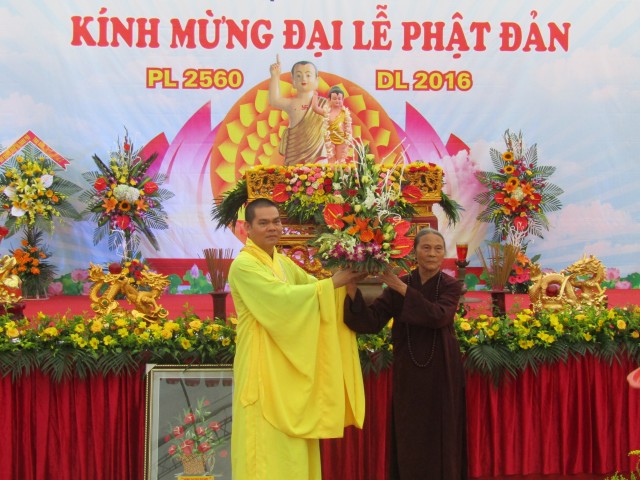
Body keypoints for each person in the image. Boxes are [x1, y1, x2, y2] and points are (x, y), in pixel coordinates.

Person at [228, 198, 366, 480]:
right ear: (247, 229)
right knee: (265, 448)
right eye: (263, 223)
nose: (272, 227)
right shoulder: (243, 266)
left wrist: (347, 282)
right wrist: (333, 283)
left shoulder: (281, 262)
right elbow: (282, 301)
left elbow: (314, 289)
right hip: (262, 368)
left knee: (294, 451)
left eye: (276, 221)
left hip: (286, 371)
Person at [344, 227, 467, 479]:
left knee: (441, 431)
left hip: (442, 370)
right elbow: (370, 322)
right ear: (415, 252)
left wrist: (401, 288)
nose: (432, 254)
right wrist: (352, 290)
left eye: (438, 249)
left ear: (443, 254)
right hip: (408, 370)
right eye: (426, 248)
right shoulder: (400, 284)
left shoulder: (450, 286)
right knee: (409, 429)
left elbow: (439, 317)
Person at [269, 55, 327, 166]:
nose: (303, 79)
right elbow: (274, 100)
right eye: (299, 75)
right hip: (294, 153)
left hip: (317, 153)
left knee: (320, 173)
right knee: (293, 175)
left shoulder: (325, 104)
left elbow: (337, 121)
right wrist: (275, 76)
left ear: (316, 81)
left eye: (308, 75)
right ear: (293, 81)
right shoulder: (291, 103)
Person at [322, 85, 352, 163]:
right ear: (329, 100)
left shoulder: (344, 112)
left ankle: (340, 171)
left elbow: (348, 126)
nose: (337, 101)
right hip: (330, 139)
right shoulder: (327, 112)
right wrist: (314, 96)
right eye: (334, 98)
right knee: (331, 160)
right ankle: (331, 170)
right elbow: (315, 108)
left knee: (341, 159)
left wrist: (348, 137)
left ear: (342, 100)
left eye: (339, 99)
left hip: (342, 139)